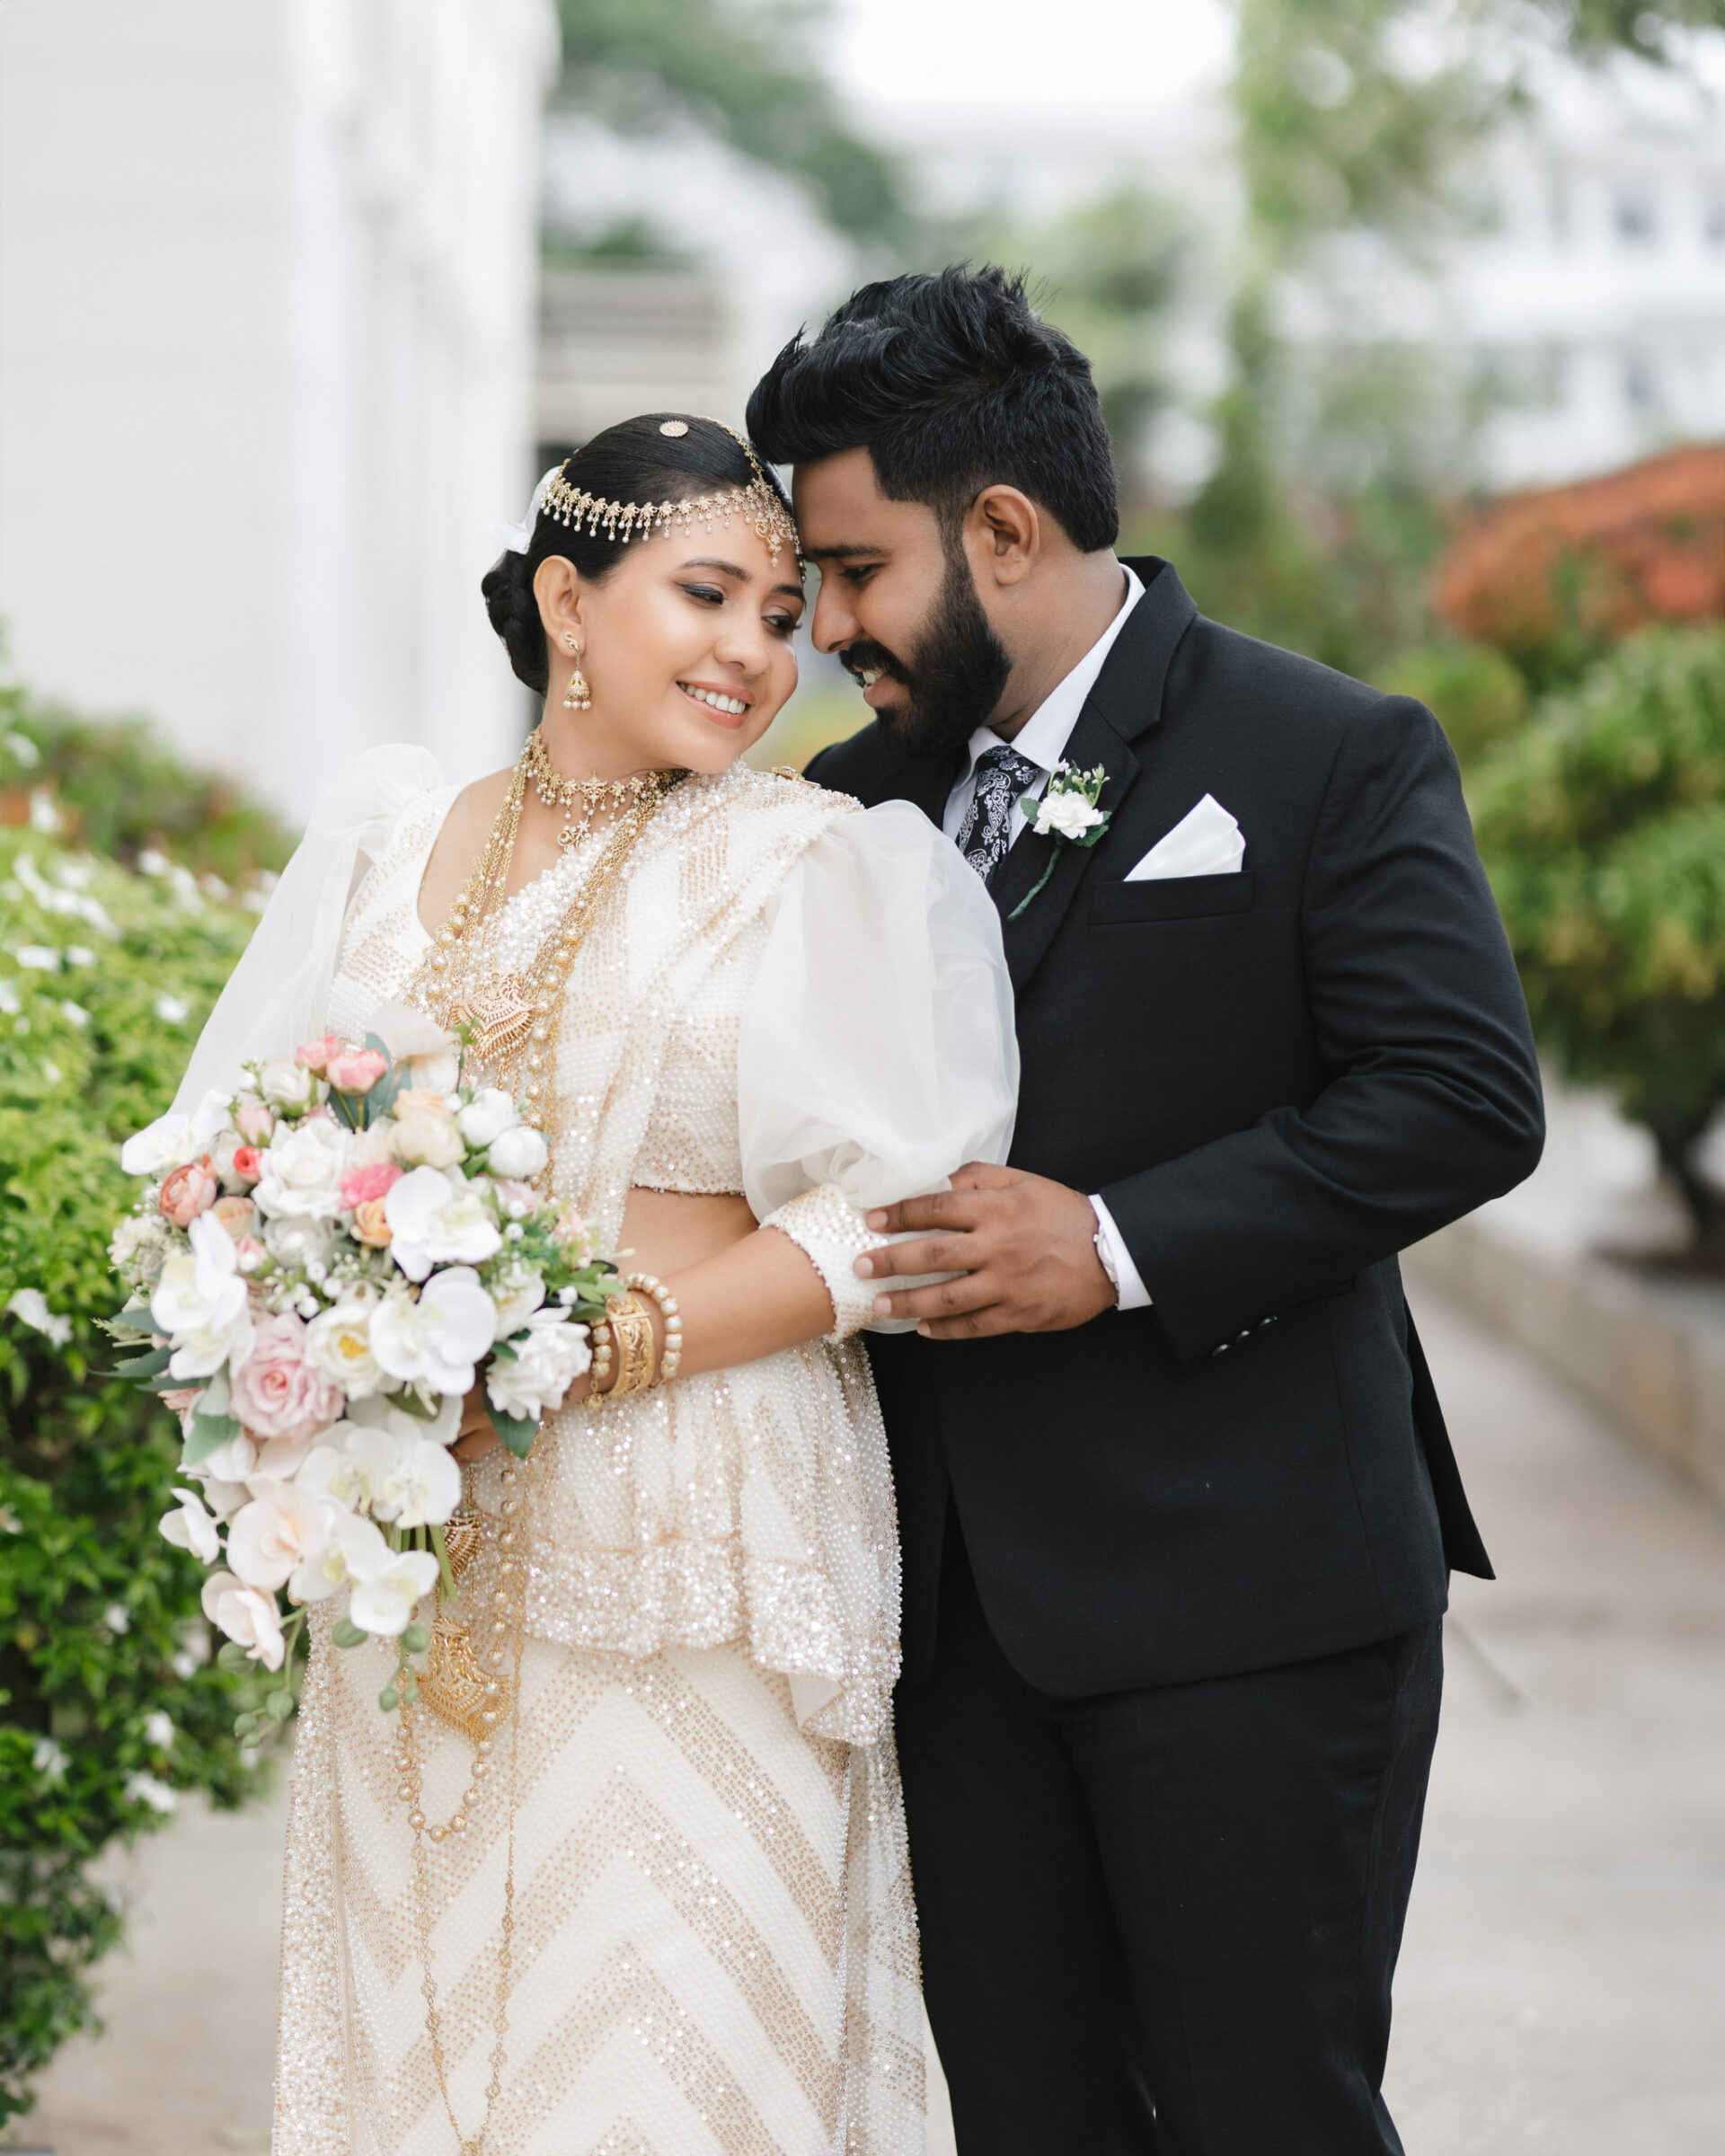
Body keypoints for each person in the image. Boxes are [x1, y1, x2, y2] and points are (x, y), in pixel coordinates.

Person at [748, 269, 1545, 2155]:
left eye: (854, 572)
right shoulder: (850, 802)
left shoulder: (1325, 751)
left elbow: (1462, 1100)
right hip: (951, 1623)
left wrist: (1111, 1247)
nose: (826, 630)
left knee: (1268, 2117)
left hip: (1251, 1599)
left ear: (1003, 531)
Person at [172, 414, 1018, 2155]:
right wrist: (314, 1361)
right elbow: (247, 1159)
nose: (755, 654)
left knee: (669, 2060)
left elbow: (888, 1220)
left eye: (778, 614)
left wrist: (598, 1347)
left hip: (693, 1531)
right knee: (428, 2055)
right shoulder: (393, 837)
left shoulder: (809, 864)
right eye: (705, 595)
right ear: (568, 600)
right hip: (422, 1531)